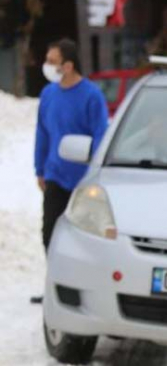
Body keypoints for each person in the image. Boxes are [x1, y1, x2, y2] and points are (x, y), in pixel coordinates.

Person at [34, 39, 109, 252]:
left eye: (52, 61)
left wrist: (96, 174)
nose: (47, 65)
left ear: (68, 66)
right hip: (55, 176)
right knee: (49, 233)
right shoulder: (49, 94)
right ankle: (56, 278)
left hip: (84, 181)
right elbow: (43, 133)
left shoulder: (91, 96)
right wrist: (40, 169)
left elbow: (100, 136)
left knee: (83, 237)